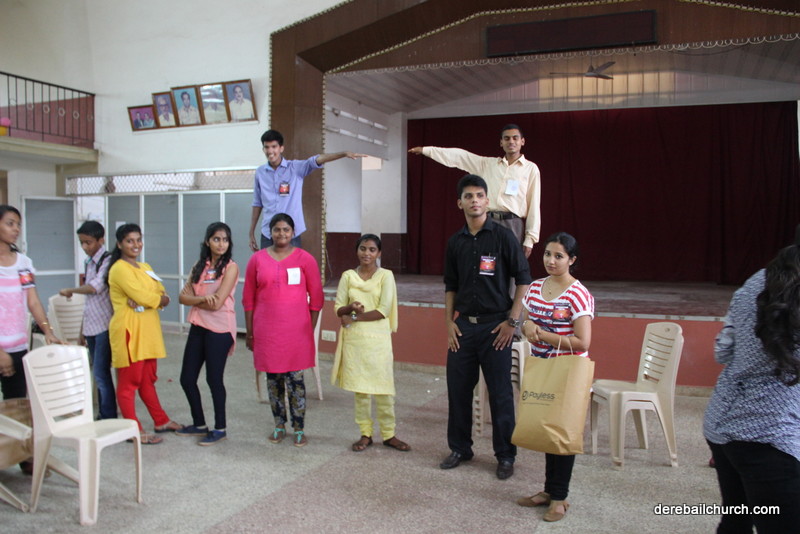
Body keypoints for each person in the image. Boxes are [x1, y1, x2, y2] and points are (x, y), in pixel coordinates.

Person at [703, 228, 800, 533]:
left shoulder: (757, 280)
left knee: (737, 520)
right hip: (771, 435)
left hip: (722, 422)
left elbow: (722, 350)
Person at [440, 174, 531, 480]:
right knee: (458, 391)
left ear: (487, 201)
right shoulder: (455, 242)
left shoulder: (503, 238)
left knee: (501, 394)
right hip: (463, 328)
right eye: (468, 196)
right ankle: (460, 448)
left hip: (497, 328)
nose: (474, 201)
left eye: (479, 195)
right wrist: (448, 323)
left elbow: (523, 279)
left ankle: (505, 455)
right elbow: (450, 286)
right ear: (460, 203)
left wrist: (512, 322)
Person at [516, 231, 594, 523]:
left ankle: (560, 499)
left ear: (571, 260)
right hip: (542, 368)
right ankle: (549, 491)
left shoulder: (578, 294)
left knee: (562, 433)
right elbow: (525, 321)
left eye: (559, 256)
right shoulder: (536, 287)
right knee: (547, 430)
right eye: (548, 254)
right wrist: (527, 327)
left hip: (568, 372)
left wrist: (542, 334)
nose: (551, 260)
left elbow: (583, 342)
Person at [243, 213, 323, 447]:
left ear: (293, 232)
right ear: (270, 232)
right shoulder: (257, 260)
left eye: (286, 229)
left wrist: (309, 330)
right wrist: (250, 333)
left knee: (296, 382)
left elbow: (316, 299)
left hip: (296, 334)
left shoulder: (305, 259)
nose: (281, 234)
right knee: (274, 381)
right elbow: (248, 300)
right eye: (277, 229)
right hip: (267, 333)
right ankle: (279, 425)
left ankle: (299, 428)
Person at [409, 123, 541, 258]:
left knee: (510, 265)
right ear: (501, 142)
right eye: (506, 138)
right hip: (488, 221)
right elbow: (460, 156)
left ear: (522, 141)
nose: (511, 141)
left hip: (513, 224)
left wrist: (530, 239)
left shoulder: (530, 169)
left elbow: (534, 204)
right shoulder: (488, 164)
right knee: (486, 264)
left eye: (515, 138)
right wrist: (427, 150)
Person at [332, 234, 410, 453]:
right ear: (357, 250)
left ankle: (389, 434)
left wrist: (354, 317)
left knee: (384, 389)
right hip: (355, 341)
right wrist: (350, 308)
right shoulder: (348, 276)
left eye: (372, 250)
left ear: (379, 253)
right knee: (361, 391)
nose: (367, 253)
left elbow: (384, 310)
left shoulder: (386, 276)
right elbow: (338, 308)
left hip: (378, 340)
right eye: (363, 249)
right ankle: (365, 434)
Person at [106, 223, 181, 444]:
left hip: (148, 331)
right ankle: (133, 431)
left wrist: (156, 299)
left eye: (138, 240)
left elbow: (160, 292)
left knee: (148, 380)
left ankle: (161, 421)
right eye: (130, 241)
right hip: (130, 331)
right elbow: (144, 296)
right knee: (129, 383)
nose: (135, 244)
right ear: (120, 244)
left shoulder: (144, 266)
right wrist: (153, 299)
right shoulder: (119, 269)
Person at [248, 129, 366, 251]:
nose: (270, 151)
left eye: (274, 147)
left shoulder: (295, 168)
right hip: (268, 232)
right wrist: (251, 232)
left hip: (291, 233)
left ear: (281, 148)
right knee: (266, 263)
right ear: (263, 149)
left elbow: (316, 160)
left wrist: (343, 154)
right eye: (267, 147)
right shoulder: (260, 173)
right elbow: (257, 203)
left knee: (293, 264)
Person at [176, 222, 239, 446]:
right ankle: (199, 424)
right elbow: (182, 298)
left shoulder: (231, 267)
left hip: (220, 329)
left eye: (225, 240)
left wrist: (194, 300)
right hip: (198, 325)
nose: (221, 244)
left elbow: (217, 303)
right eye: (216, 239)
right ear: (207, 241)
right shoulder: (199, 266)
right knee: (186, 378)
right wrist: (203, 299)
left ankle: (220, 428)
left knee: (214, 379)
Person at [0, 205, 62, 400]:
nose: (16, 229)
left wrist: (48, 331)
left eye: (18, 224)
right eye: (10, 224)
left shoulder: (23, 264)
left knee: (16, 405)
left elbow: (33, 302)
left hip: (18, 348)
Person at [59, 220, 117, 420]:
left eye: (88, 242)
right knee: (97, 372)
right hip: (91, 326)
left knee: (101, 372)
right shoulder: (88, 262)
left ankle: (108, 415)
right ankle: (103, 412)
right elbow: (89, 303)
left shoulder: (108, 261)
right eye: (82, 242)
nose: (85, 247)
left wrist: (71, 290)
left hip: (104, 326)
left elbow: (94, 288)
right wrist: (81, 330)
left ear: (101, 240)